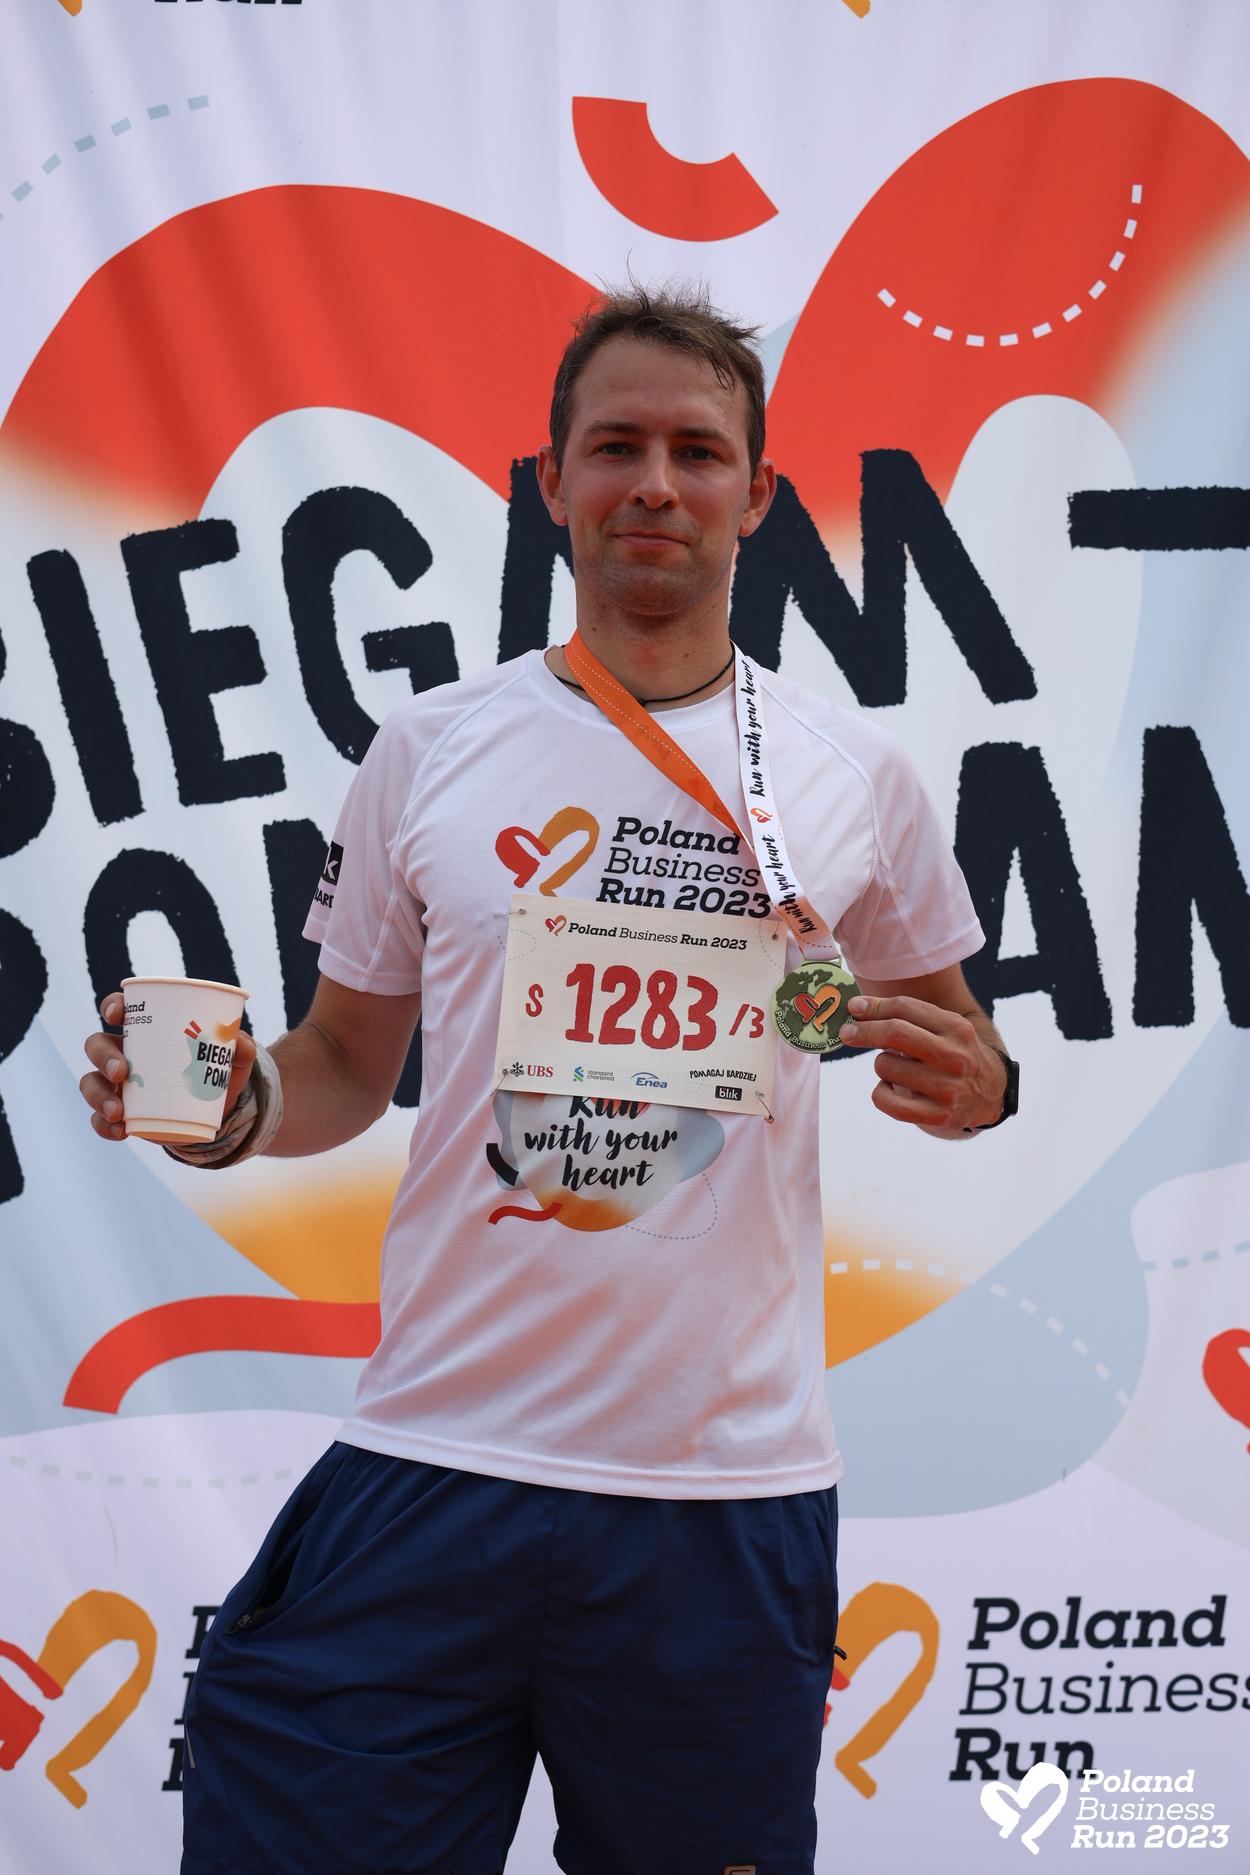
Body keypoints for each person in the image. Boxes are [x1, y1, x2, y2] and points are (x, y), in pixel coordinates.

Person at [81, 284, 1016, 1875]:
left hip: (720, 1493)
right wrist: (235, 1108)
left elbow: (964, 1045)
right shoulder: (428, 749)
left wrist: (974, 1086)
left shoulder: (856, 775)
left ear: (757, 496)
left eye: (696, 452)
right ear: (550, 480)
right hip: (439, 1457)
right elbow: (341, 1063)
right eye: (616, 446)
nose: (655, 483)